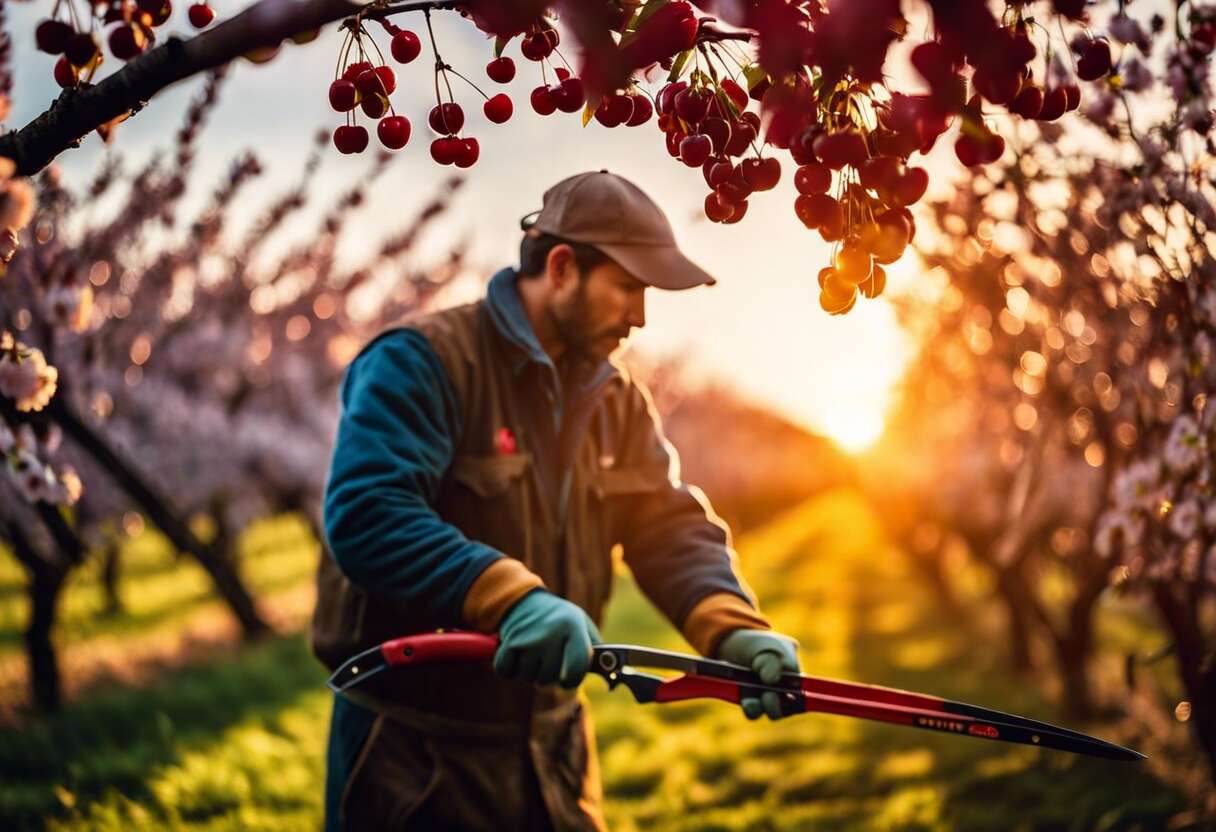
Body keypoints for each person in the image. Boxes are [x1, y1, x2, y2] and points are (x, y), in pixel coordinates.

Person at [312, 170, 802, 830]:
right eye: (628, 287)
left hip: (554, 748)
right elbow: (369, 514)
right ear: (564, 268)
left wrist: (730, 624)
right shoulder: (423, 363)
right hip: (415, 761)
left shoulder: (616, 399)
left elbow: (664, 523)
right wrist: (512, 598)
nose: (641, 315)